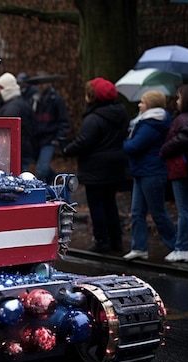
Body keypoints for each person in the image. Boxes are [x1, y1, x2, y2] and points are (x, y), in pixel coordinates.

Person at [62, 77, 127, 253]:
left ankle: (102, 241)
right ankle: (116, 240)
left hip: (95, 167)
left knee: (97, 204)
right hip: (114, 165)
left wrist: (67, 149)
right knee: (110, 203)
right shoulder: (120, 114)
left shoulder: (93, 118)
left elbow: (85, 141)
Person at [122, 90, 176, 260]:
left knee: (158, 212)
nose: (139, 105)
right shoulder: (145, 121)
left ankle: (177, 245)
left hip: (151, 172)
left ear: (151, 105)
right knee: (137, 212)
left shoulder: (151, 123)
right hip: (142, 171)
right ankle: (139, 247)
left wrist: (125, 142)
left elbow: (134, 146)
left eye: (143, 102)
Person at [159, 84, 188, 263]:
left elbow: (185, 137)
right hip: (180, 168)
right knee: (185, 209)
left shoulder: (184, 119)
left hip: (180, 168)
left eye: (179, 98)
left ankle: (183, 247)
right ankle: (183, 245)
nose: (176, 101)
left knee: (184, 210)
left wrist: (166, 149)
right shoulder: (184, 118)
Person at [28, 72, 70, 184]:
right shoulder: (34, 100)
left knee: (42, 170)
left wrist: (58, 138)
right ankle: (61, 181)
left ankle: (42, 191)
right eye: (38, 83)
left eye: (43, 83)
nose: (40, 86)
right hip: (36, 140)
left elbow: (64, 120)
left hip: (49, 139)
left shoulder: (56, 100)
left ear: (49, 84)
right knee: (43, 168)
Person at [0, 72, 35, 172]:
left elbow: (3, 126)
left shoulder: (13, 107)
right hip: (17, 150)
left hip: (15, 152)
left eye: (0, 87)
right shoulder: (11, 104)